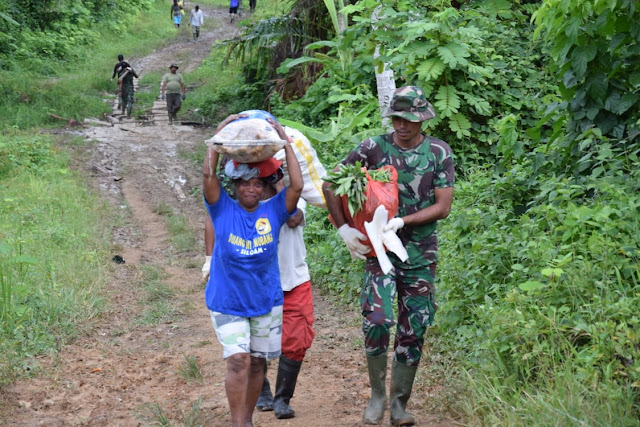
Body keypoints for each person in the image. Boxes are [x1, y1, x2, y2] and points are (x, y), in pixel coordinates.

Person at [322, 86, 455, 426]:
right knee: (378, 319)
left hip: (420, 253)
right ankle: (377, 396)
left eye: (409, 119)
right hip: (378, 250)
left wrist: (402, 221)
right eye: (396, 118)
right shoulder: (373, 148)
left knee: (416, 326)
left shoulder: (438, 152)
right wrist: (343, 229)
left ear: (422, 119)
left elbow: (442, 207)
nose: (401, 125)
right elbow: (330, 184)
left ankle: (399, 404)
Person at [203, 113, 303, 427]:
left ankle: (247, 420)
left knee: (258, 363)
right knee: (238, 361)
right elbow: (208, 176)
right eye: (244, 183)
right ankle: (238, 424)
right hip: (228, 300)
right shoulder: (221, 208)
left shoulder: (273, 210)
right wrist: (219, 136)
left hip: (265, 300)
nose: (250, 189)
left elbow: (296, 186)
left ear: (262, 188)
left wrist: (285, 144)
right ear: (235, 186)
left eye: (256, 183)